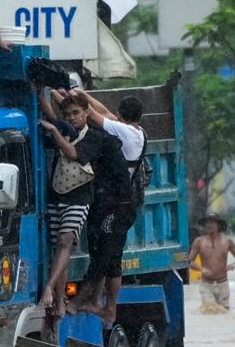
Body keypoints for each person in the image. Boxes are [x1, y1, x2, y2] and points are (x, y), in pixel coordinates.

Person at [63, 89, 145, 322]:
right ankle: (105, 306)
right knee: (112, 258)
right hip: (122, 201)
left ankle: (85, 302)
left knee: (103, 256)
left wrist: (73, 96)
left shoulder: (119, 133)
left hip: (117, 203)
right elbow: (104, 113)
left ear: (120, 115)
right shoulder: (137, 132)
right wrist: (82, 96)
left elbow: (96, 116)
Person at [37, 93, 103, 317]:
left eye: (76, 113)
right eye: (68, 114)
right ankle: (60, 301)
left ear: (86, 113)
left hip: (80, 197)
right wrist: (39, 94)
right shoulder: (65, 129)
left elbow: (73, 153)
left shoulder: (94, 137)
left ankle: (49, 288)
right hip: (57, 195)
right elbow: (53, 117)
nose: (72, 118)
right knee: (59, 249)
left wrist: (55, 132)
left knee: (66, 240)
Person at [189, 213, 235, 312]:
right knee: (209, 310)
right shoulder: (199, 242)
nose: (209, 225)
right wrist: (201, 269)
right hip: (206, 284)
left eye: (212, 222)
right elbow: (189, 261)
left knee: (224, 312)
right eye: (207, 223)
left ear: (219, 225)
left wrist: (233, 265)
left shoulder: (227, 241)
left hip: (223, 284)